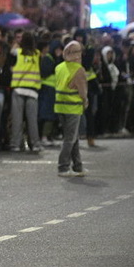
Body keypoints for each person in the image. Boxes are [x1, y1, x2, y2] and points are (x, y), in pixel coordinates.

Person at [53, 41, 88, 178]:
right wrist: (85, 101)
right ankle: (63, 167)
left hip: (60, 106)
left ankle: (78, 166)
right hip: (73, 107)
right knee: (70, 138)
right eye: (79, 52)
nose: (80, 55)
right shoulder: (79, 70)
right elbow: (82, 92)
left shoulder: (59, 67)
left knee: (73, 138)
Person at [8, 31, 42, 152]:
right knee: (32, 120)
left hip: (19, 89)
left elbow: (12, 50)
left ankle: (16, 144)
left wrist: (16, 43)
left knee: (17, 119)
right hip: (32, 90)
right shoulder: (37, 54)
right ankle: (35, 144)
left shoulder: (18, 53)